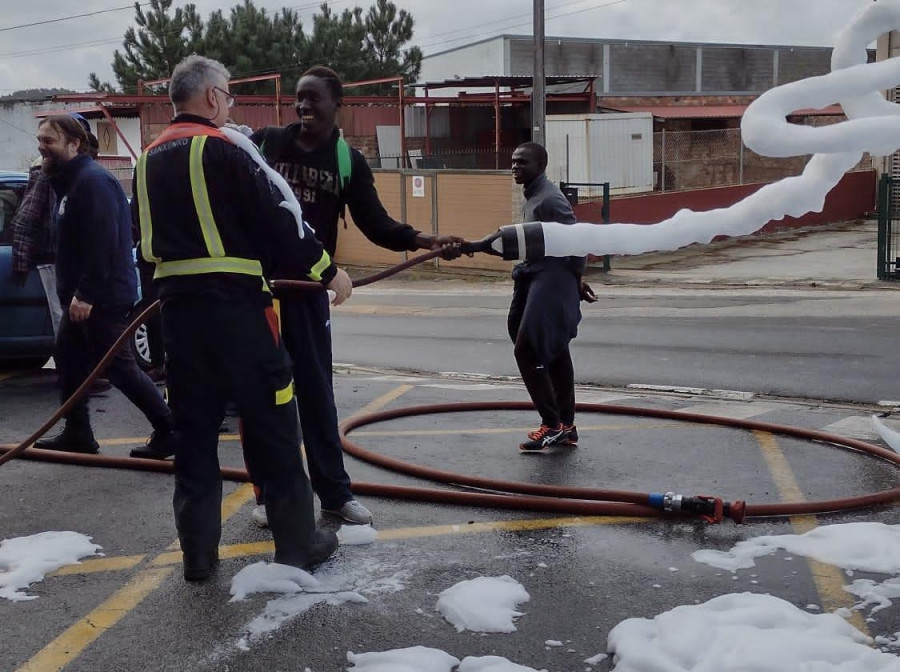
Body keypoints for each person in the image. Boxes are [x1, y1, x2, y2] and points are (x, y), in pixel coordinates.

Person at [133, 54, 352, 580]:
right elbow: (280, 218)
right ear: (210, 97)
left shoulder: (146, 160)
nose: (229, 103)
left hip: (181, 320)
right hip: (242, 316)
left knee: (194, 437)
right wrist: (328, 271)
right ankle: (298, 545)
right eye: (228, 94)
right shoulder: (228, 147)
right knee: (274, 426)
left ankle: (198, 558)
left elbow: (143, 250)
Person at [249, 65, 465, 527]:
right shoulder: (265, 144)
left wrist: (424, 241)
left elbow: (377, 224)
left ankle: (334, 494)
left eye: (314, 99)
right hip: (258, 290)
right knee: (263, 396)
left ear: (336, 104)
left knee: (316, 395)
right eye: (299, 99)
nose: (303, 106)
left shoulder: (347, 162)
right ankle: (268, 495)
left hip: (308, 290)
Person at [32, 115, 174, 456]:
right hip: (81, 299)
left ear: (74, 143)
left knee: (120, 368)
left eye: (49, 140)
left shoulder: (93, 182)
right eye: (40, 140)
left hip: (99, 298)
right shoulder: (71, 182)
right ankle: (78, 432)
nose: (41, 147)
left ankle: (169, 430)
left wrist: (87, 294)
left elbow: (105, 243)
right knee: (67, 360)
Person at [508, 141, 596, 452]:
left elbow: (576, 239)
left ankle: (552, 424)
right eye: (514, 162)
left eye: (523, 162)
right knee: (555, 350)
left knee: (527, 351)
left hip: (553, 276)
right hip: (536, 274)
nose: (516, 167)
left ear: (540, 166)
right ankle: (567, 426)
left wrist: (576, 279)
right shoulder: (534, 194)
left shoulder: (549, 198)